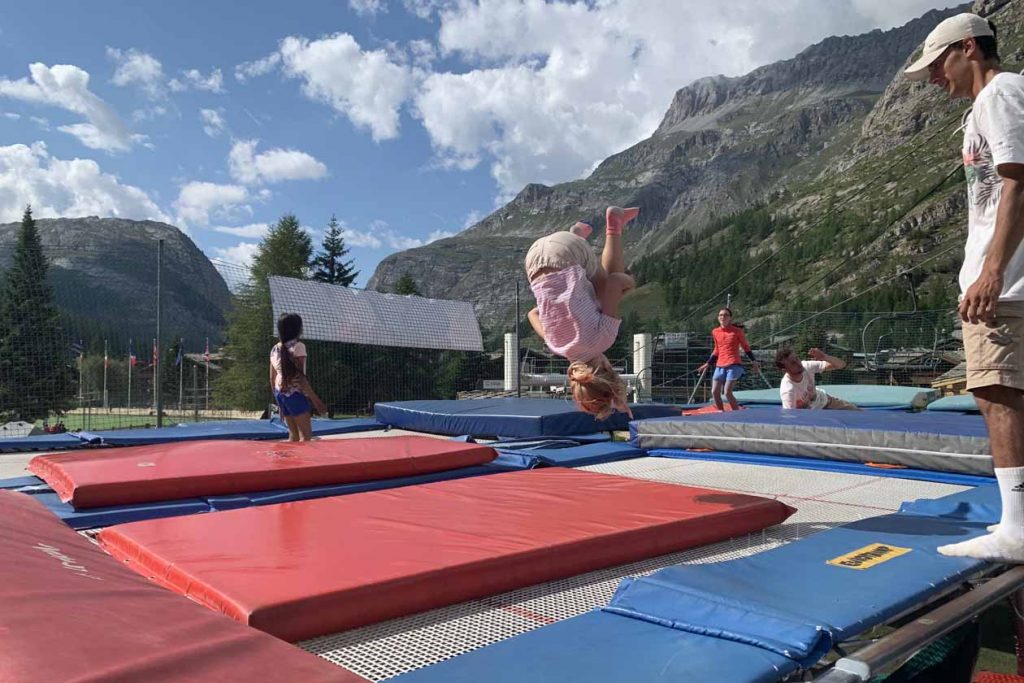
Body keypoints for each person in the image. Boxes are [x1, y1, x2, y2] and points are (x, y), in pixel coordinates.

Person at [904, 12, 1024, 563]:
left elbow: (1016, 179)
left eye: (938, 65)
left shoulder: (999, 94)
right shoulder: (994, 100)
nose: (934, 79)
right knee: (1000, 391)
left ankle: (1017, 528)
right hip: (1002, 276)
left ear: (969, 48)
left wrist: (993, 268)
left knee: (997, 393)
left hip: (1008, 282)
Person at [526, 206, 639, 420]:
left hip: (567, 253)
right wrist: (560, 302)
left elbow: (615, 282)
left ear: (608, 367)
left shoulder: (603, 340)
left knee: (611, 280)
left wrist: (631, 284)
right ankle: (576, 231)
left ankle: (614, 222)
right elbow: (533, 313)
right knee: (595, 296)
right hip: (533, 260)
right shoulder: (556, 346)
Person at [269, 313, 327, 442]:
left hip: (281, 393)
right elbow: (300, 378)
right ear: (298, 329)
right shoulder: (298, 347)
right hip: (294, 393)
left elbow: (272, 379)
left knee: (293, 435)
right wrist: (316, 401)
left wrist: (279, 403)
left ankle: (290, 461)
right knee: (305, 437)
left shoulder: (275, 349)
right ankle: (303, 462)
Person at [696, 308, 760, 411]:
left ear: (730, 318)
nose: (723, 317)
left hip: (734, 364)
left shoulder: (737, 331)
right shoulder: (715, 332)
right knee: (714, 392)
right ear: (718, 317)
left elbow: (746, 347)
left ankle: (736, 414)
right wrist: (707, 364)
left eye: (725, 315)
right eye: (720, 315)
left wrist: (754, 361)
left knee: (727, 392)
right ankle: (721, 412)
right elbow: (717, 350)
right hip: (720, 365)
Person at [774, 347, 860, 410]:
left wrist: (824, 357)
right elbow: (791, 418)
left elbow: (841, 365)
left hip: (826, 401)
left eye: (797, 358)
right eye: (793, 363)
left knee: (857, 413)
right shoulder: (788, 391)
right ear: (785, 370)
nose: (798, 363)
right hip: (810, 414)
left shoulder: (807, 366)